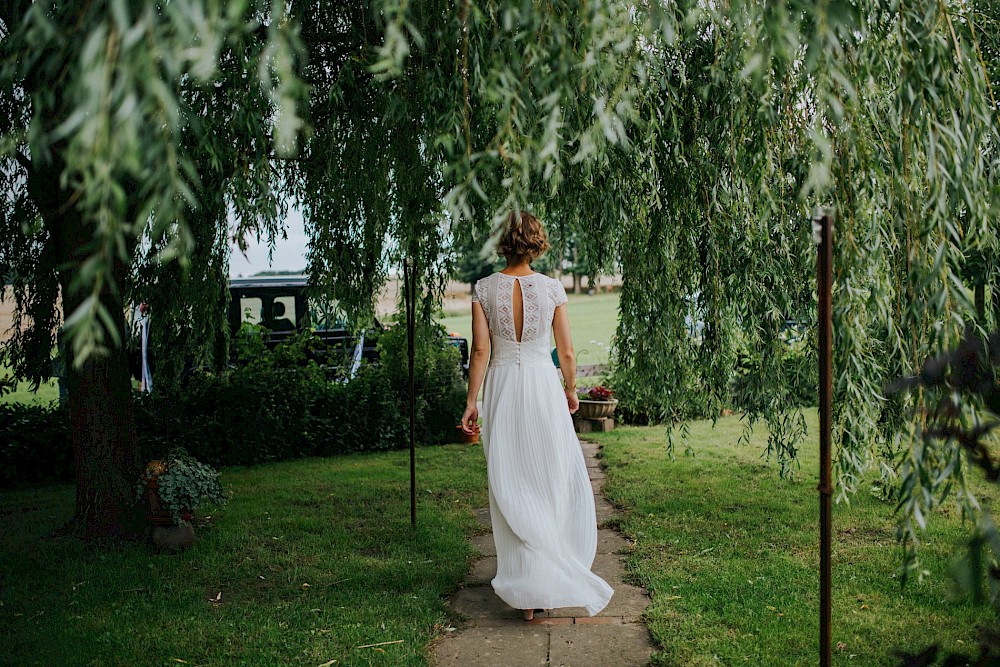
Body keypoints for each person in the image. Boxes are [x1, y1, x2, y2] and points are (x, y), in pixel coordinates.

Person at [461, 211, 614, 621]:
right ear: (536, 242)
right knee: (547, 479)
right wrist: (570, 389)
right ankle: (544, 584)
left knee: (510, 480)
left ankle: (526, 592)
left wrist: (472, 400)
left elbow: (480, 352)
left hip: (503, 389)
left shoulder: (484, 289)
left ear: (504, 243)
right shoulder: (551, 289)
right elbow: (565, 351)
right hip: (543, 389)